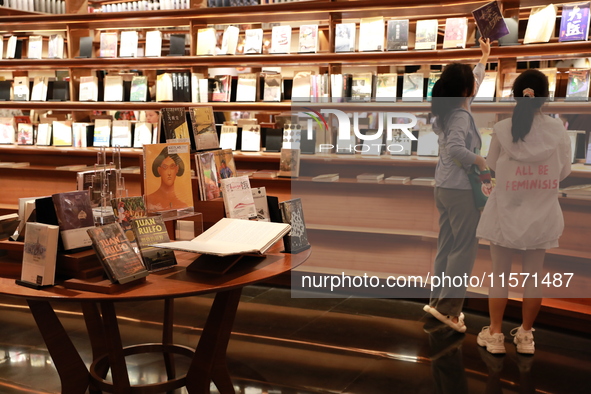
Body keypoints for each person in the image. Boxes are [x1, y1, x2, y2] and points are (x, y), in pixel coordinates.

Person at [475, 70, 571, 354]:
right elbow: (563, 172)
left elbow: (491, 164)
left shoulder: (504, 129)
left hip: (504, 211)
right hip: (542, 212)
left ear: (516, 95)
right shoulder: (558, 131)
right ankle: (526, 336)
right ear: (546, 98)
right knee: (534, 276)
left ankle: (494, 335)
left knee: (499, 275)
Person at [423, 37, 490, 333]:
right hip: (461, 190)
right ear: (464, 92)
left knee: (447, 246)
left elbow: (473, 81)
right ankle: (450, 311)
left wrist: (483, 58)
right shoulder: (462, 115)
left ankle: (438, 302)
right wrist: (481, 160)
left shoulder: (449, 110)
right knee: (463, 250)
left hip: (444, 188)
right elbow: (455, 149)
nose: (475, 87)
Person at [146, 146, 189, 211]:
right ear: (159, 170)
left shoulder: (183, 205)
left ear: (177, 169)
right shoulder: (149, 200)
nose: (169, 173)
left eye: (172, 167)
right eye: (165, 167)